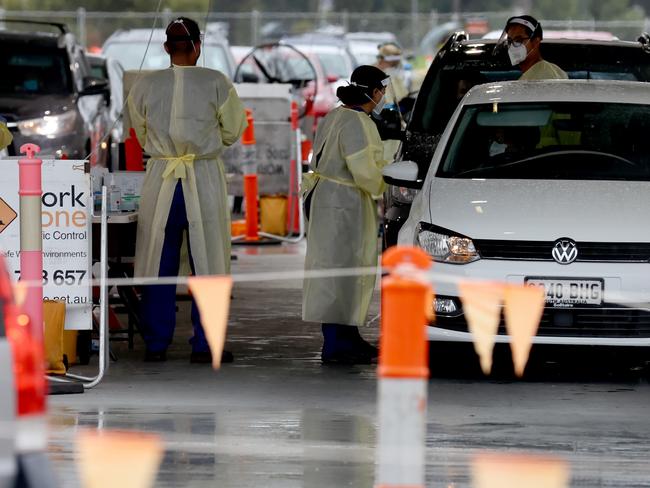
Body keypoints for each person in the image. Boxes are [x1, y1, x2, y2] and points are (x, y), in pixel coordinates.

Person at [127, 17, 247, 363]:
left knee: (158, 264)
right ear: (199, 45)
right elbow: (233, 129)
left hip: (162, 178)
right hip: (202, 177)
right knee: (208, 262)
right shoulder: (217, 83)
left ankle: (156, 344)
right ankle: (206, 344)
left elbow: (139, 129)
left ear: (166, 47)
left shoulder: (146, 85)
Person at [302, 66, 389, 365]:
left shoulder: (335, 115)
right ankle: (338, 344)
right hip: (344, 202)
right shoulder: (358, 123)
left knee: (341, 271)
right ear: (375, 92)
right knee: (343, 272)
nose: (383, 97)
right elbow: (366, 172)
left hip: (329, 198)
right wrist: (387, 182)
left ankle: (348, 337)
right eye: (382, 92)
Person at [501, 15, 568, 80]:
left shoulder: (540, 79)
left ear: (535, 42)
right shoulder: (555, 70)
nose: (512, 46)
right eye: (509, 41)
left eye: (519, 40)